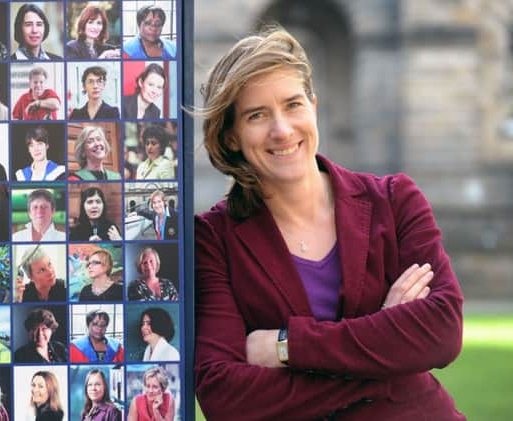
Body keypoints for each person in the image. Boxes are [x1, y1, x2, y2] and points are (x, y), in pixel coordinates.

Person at [194, 29, 465, 420]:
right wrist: (389, 354)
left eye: (293, 105)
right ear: (232, 136)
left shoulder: (395, 200)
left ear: (314, 106)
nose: (282, 130)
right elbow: (225, 396)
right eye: (257, 115)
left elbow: (440, 331)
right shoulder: (214, 240)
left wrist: (287, 346)